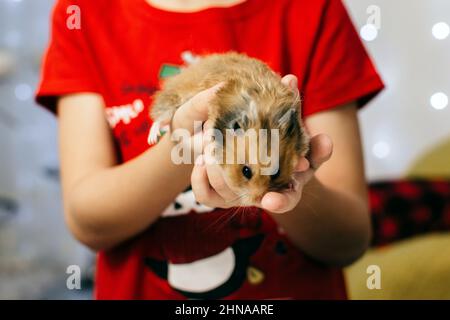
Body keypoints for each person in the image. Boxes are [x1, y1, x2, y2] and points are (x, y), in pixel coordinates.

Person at [36, 0, 384, 299]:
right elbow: (89, 223)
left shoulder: (313, 9)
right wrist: (184, 146)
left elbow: (348, 241)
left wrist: (289, 184)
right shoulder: (84, 15)